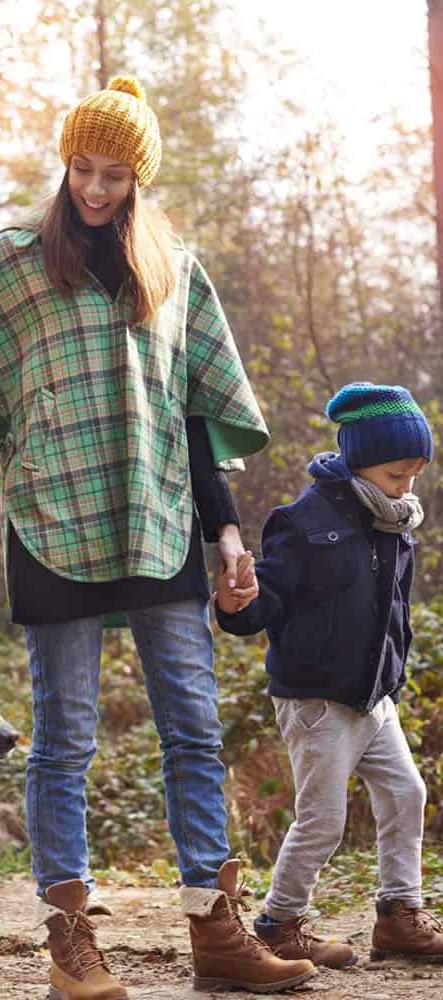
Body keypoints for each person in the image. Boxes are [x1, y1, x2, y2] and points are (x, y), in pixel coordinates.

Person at [0, 76, 317, 999]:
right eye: (81, 168)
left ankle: (214, 927)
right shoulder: (14, 262)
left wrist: (229, 535)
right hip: (51, 523)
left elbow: (195, 416)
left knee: (193, 731)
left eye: (113, 173)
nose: (92, 187)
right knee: (66, 740)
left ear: (139, 177)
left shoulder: (174, 270)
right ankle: (70, 939)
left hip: (158, 517)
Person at [215, 382, 443, 968]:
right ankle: (279, 922)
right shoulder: (305, 521)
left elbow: (390, 609)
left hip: (373, 696)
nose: (407, 487)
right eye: (398, 473)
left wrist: (394, 671)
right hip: (317, 700)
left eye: (415, 474)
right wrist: (240, 605)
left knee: (406, 794)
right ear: (360, 460)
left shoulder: (392, 523)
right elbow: (268, 598)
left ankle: (398, 916)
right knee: (324, 821)